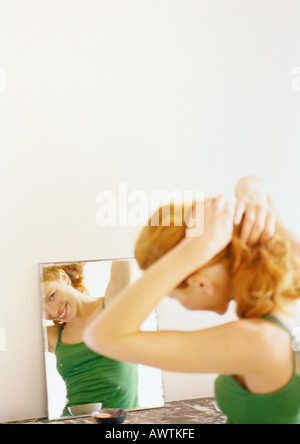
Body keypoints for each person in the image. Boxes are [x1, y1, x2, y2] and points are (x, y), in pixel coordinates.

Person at [83, 176, 300, 425]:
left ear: (200, 283)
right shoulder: (285, 304)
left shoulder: (258, 341)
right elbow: (256, 191)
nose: (174, 301)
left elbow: (102, 336)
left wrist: (200, 244)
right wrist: (252, 191)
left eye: (172, 294)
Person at [41, 261, 139, 417]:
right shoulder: (54, 336)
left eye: (52, 296)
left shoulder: (113, 305)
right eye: (42, 310)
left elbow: (124, 249)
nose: (53, 312)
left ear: (63, 278)